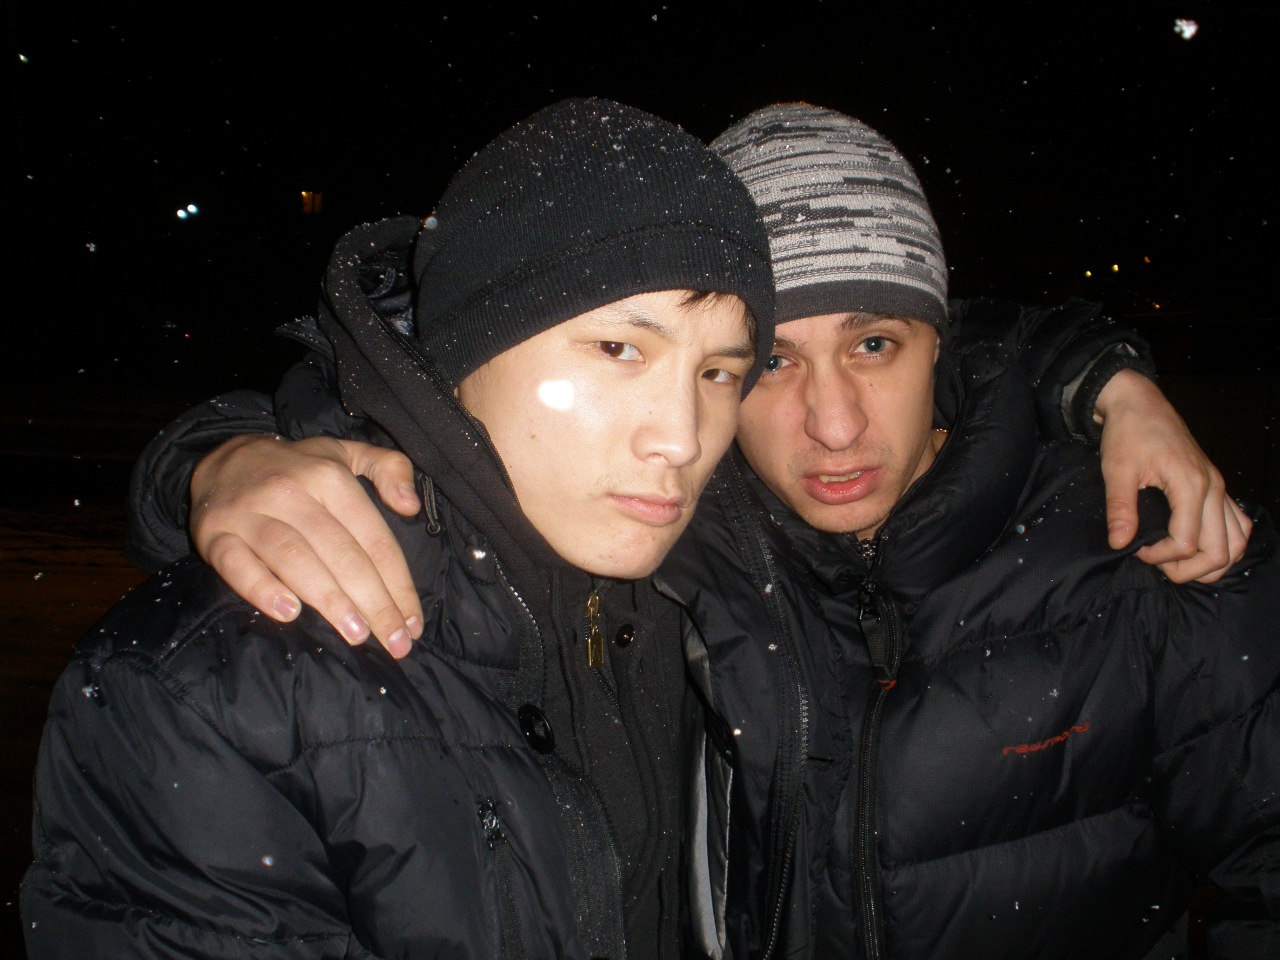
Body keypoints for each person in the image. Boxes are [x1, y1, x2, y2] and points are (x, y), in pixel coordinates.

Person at [110, 105, 1274, 958]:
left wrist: (1104, 375)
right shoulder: (686, 539)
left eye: (874, 344)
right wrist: (218, 458)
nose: (831, 423)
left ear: (942, 344)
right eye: (766, 365)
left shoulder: (1148, 550)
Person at [21, 97, 779, 959]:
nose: (682, 437)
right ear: (461, 353)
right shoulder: (221, 687)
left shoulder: (704, 601)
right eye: (619, 350)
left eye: (719, 372)